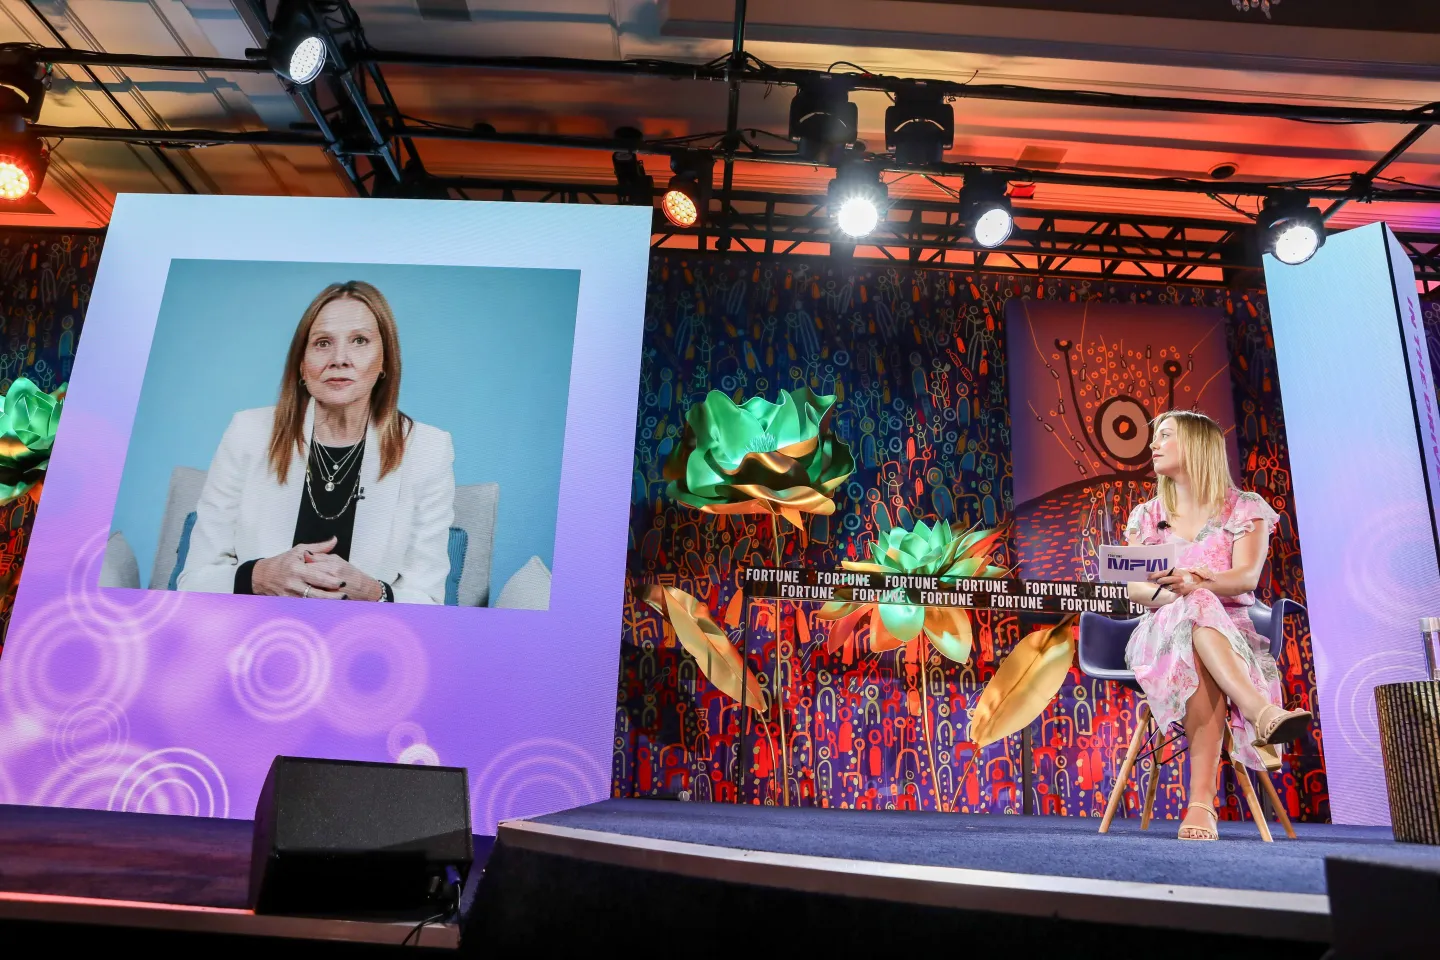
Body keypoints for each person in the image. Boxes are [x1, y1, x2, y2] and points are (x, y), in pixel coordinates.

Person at [178, 281, 455, 604]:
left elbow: (429, 600)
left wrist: (371, 592)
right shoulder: (248, 432)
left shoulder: (428, 449)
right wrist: (260, 576)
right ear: (301, 364)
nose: (340, 358)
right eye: (322, 343)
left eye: (360, 341)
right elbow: (194, 580)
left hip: (365, 637)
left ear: (385, 362)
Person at [1123, 409, 1311, 841]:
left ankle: (1202, 805)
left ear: (1195, 445)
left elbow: (1246, 578)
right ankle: (1260, 712)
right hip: (1161, 632)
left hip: (1234, 635)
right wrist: (1182, 594)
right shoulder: (1146, 517)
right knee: (1195, 609)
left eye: (1164, 436)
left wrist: (1197, 584)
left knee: (1201, 609)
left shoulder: (1246, 509)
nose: (1153, 444)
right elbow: (1135, 590)